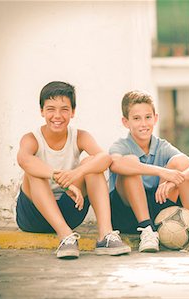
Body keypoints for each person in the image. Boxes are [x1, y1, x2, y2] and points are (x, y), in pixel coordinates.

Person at [16, 81, 131, 259]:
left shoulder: (80, 136)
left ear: (73, 112)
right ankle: (65, 236)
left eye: (64, 109)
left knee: (92, 163)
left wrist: (76, 174)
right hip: (33, 216)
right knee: (33, 170)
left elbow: (105, 158)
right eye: (51, 109)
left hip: (69, 210)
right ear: (42, 111)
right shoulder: (31, 139)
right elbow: (23, 159)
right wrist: (59, 178)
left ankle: (105, 236)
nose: (57, 115)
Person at [108, 90, 189, 253]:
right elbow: (116, 164)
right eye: (136, 118)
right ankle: (146, 230)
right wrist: (162, 172)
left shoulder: (162, 146)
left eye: (148, 117)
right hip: (127, 214)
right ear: (126, 122)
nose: (143, 123)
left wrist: (175, 179)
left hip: (159, 209)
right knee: (130, 163)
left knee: (181, 163)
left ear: (155, 118)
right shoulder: (121, 145)